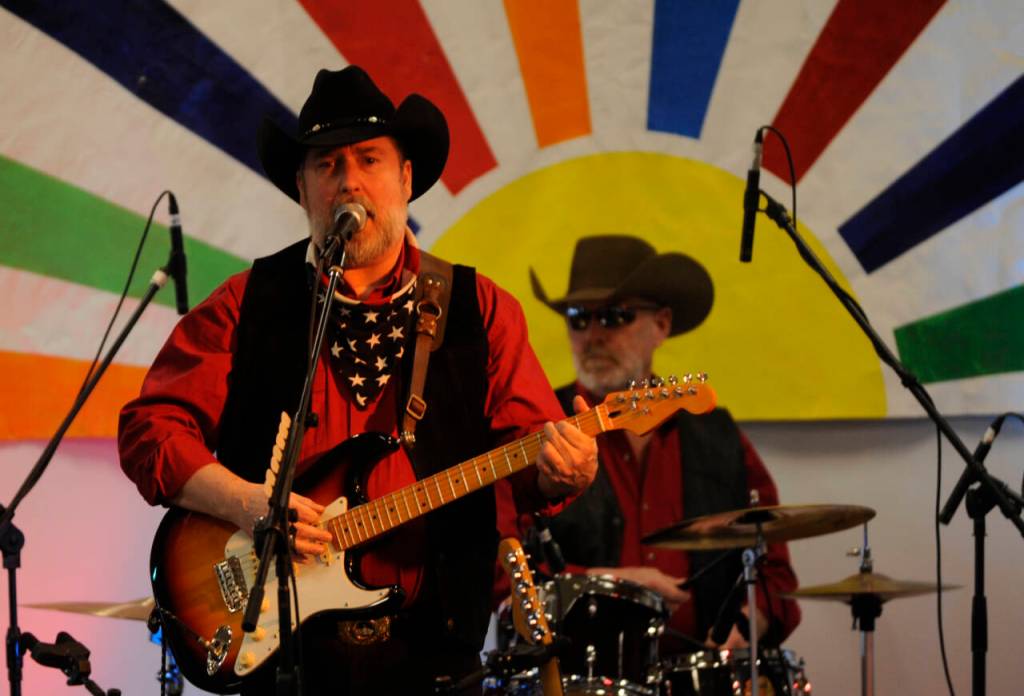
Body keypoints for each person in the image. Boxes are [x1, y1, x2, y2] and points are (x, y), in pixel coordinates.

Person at [118, 66, 597, 695]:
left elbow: (530, 457)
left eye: (369, 160)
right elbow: (150, 431)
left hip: (436, 659)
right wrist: (248, 504)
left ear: (405, 178)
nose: (349, 181)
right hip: (282, 662)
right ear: (302, 188)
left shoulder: (483, 310)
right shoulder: (244, 303)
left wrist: (564, 471)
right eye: (327, 165)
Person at [499, 234, 799, 657]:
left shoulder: (718, 436)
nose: (593, 335)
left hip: (698, 670)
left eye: (615, 316)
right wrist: (611, 583)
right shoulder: (539, 430)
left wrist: (747, 625)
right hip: (573, 672)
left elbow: (773, 569)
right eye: (578, 318)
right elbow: (502, 571)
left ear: (661, 325)